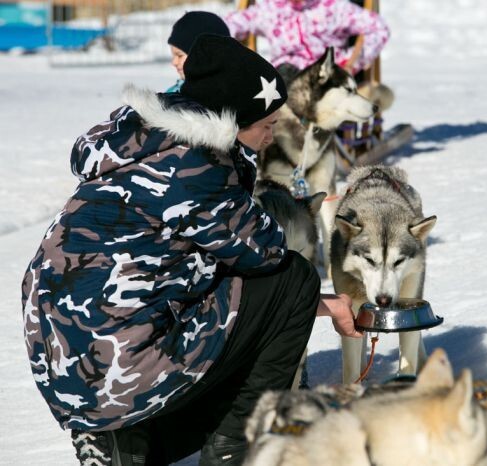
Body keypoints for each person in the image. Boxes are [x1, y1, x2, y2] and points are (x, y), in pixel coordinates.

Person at [20, 34, 361, 466]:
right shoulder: (199, 164)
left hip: (65, 367)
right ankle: (233, 446)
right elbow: (266, 254)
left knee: (203, 289)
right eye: (266, 125)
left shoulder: (137, 144)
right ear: (233, 121)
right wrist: (323, 301)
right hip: (117, 367)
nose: (272, 136)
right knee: (295, 279)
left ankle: (125, 443)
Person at [223, 0, 389, 76]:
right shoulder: (271, 8)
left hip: (327, 73)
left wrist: (352, 62)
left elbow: (378, 28)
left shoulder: (334, 7)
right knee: (279, 80)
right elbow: (234, 22)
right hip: (285, 73)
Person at [166, 10, 230, 92]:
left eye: (179, 55)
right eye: (173, 56)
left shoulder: (228, 95)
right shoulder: (173, 95)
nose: (174, 62)